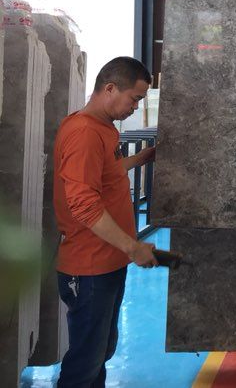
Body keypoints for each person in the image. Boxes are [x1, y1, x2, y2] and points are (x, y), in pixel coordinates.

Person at [53, 57, 159, 388]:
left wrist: (140, 158)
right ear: (110, 88)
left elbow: (106, 173)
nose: (135, 107)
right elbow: (84, 205)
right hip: (90, 268)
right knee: (85, 362)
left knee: (100, 353)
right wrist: (133, 247)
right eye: (134, 99)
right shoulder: (84, 132)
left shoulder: (103, 128)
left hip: (108, 262)